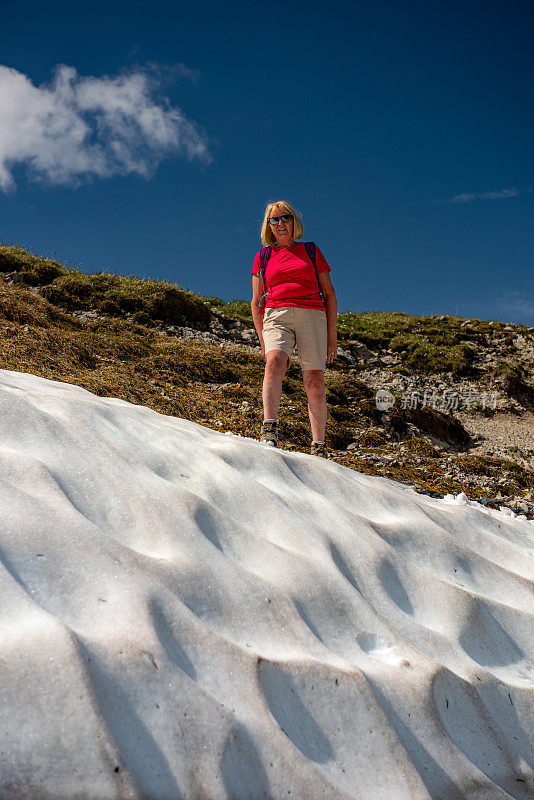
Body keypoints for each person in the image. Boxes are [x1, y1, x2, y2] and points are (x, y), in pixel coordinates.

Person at [250, 200, 338, 458]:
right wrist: (263, 341)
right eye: (274, 220)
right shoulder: (263, 256)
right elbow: (256, 302)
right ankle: (269, 430)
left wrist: (332, 336)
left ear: (293, 221)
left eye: (285, 218)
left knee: (314, 381)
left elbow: (330, 294)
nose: (280, 224)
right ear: (269, 226)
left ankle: (319, 446)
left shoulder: (310, 251)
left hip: (313, 315)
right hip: (276, 313)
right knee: (274, 361)